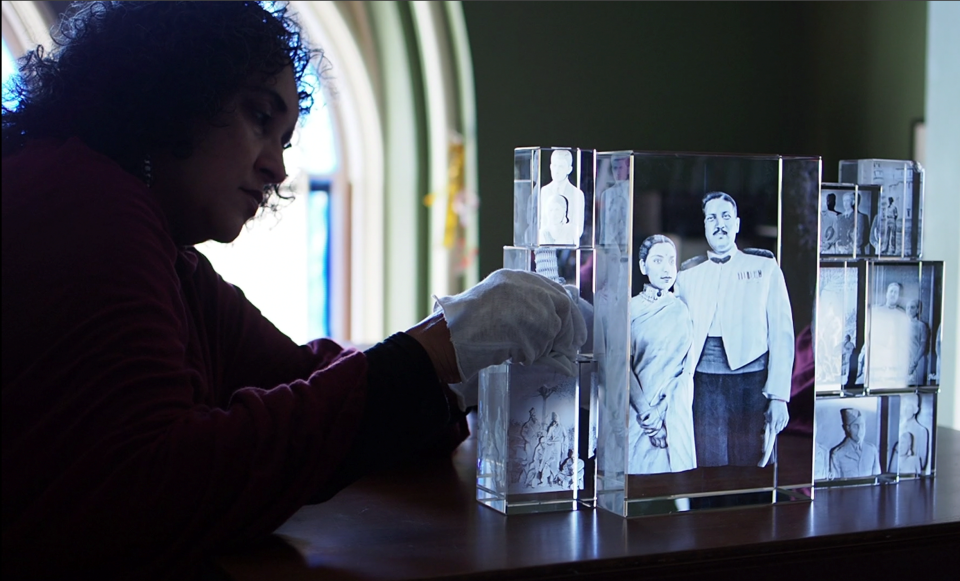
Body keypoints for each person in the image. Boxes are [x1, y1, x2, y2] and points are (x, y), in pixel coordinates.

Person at [1, 4, 586, 580]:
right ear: (172, 93)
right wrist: (436, 351)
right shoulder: (84, 205)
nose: (278, 169)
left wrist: (451, 370)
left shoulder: (162, 250)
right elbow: (152, 490)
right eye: (260, 118)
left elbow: (293, 374)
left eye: (284, 139)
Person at [675, 192, 794, 468]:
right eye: (712, 218)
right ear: (704, 226)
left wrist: (778, 396)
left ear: (737, 224)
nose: (720, 224)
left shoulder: (764, 268)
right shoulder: (687, 276)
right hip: (704, 383)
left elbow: (782, 334)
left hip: (751, 382)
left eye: (726, 216)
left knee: (749, 464)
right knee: (708, 464)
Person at [627, 235, 695, 474]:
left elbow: (685, 370)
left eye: (671, 260)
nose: (667, 268)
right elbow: (622, 368)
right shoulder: (629, 310)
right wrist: (649, 419)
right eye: (658, 260)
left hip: (672, 418)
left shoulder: (682, 310)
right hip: (636, 418)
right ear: (643, 266)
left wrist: (661, 414)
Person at [868, 282, 911, 388]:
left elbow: (904, 341)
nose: (893, 294)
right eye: (891, 291)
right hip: (879, 355)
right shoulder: (876, 312)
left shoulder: (903, 316)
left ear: (898, 296)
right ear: (886, 293)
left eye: (896, 292)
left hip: (894, 355)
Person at [538, 149, 585, 246]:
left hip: (567, 248)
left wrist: (563, 237)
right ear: (550, 167)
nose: (556, 171)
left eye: (561, 166)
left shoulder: (577, 194)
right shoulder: (544, 191)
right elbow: (542, 223)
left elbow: (578, 229)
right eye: (554, 166)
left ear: (569, 169)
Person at [828, 408, 881, 479]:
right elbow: (835, 486)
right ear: (847, 428)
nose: (860, 430)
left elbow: (877, 480)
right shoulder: (837, 454)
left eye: (862, 426)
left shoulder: (872, 450)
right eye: (856, 426)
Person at [833, 191, 870, 255]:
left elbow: (861, 238)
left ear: (853, 202)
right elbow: (837, 235)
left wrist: (851, 247)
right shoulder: (839, 217)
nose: (845, 203)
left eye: (847, 201)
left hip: (853, 251)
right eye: (844, 201)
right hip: (840, 251)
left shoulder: (859, 216)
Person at [907, 299, 930, 386]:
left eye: (912, 307)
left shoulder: (921, 325)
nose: (909, 310)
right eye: (908, 307)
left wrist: (913, 363)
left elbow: (923, 346)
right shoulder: (902, 324)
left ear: (917, 310)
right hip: (904, 360)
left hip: (917, 360)